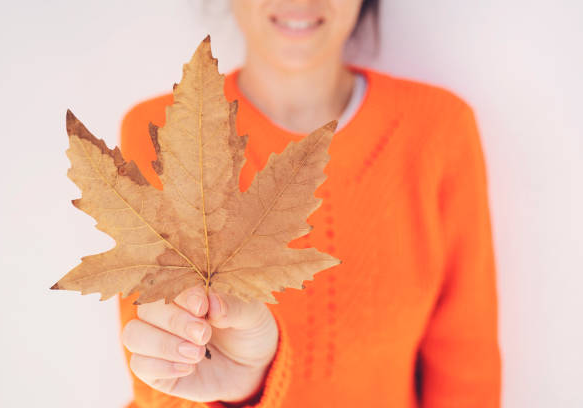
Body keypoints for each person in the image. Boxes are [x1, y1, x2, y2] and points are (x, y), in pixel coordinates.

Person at [117, 0, 501, 407]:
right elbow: (160, 387)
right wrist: (244, 388)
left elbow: (466, 364)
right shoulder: (165, 132)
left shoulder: (437, 129)